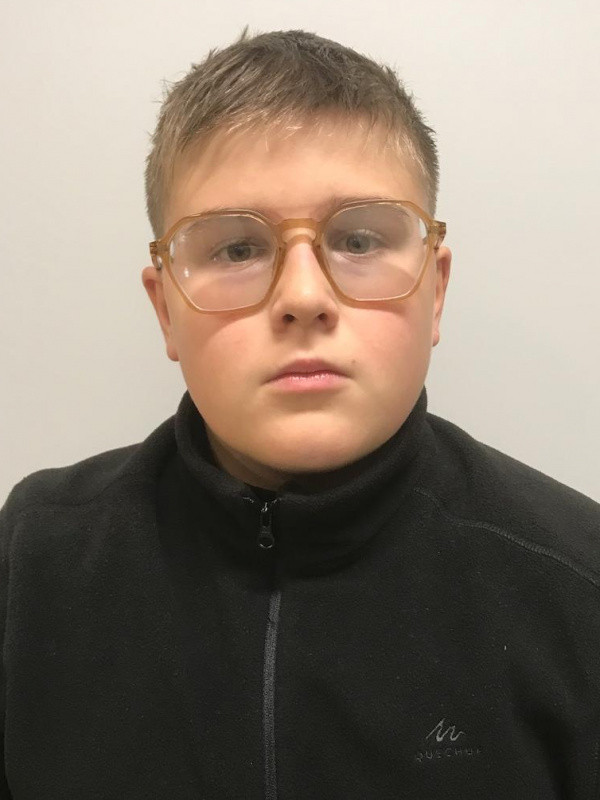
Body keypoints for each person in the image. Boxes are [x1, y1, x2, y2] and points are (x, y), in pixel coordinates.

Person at [1, 26, 599, 800]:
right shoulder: (32, 566)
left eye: (359, 238)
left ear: (436, 290)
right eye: (236, 250)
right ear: (165, 310)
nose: (304, 296)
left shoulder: (577, 584)